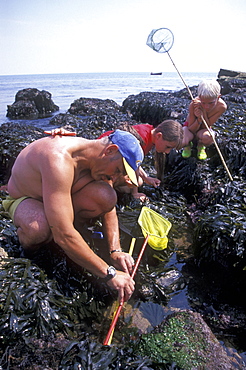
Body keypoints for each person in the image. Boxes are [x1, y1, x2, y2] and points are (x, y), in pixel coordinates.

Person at [2, 130, 144, 302]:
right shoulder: (59, 158)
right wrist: (109, 274)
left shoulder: (97, 163)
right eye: (118, 170)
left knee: (106, 196)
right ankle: (29, 250)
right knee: (39, 228)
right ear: (110, 150)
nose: (115, 177)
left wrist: (116, 250)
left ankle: (63, 224)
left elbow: (110, 209)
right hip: (26, 198)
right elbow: (63, 235)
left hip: (58, 197)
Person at [98, 120, 183, 200]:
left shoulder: (149, 130)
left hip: (109, 158)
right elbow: (133, 165)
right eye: (168, 147)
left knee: (140, 181)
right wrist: (135, 193)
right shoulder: (142, 138)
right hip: (101, 159)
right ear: (159, 136)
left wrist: (146, 178)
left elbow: (134, 161)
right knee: (132, 185)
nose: (167, 152)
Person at [182, 79, 227, 160]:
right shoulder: (194, 104)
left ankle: (201, 145)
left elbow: (207, 125)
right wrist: (199, 119)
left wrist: (203, 113)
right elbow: (191, 129)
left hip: (204, 129)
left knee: (209, 137)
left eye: (211, 103)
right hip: (190, 128)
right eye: (203, 103)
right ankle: (187, 145)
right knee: (181, 138)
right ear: (199, 97)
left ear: (218, 97)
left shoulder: (221, 107)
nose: (207, 107)